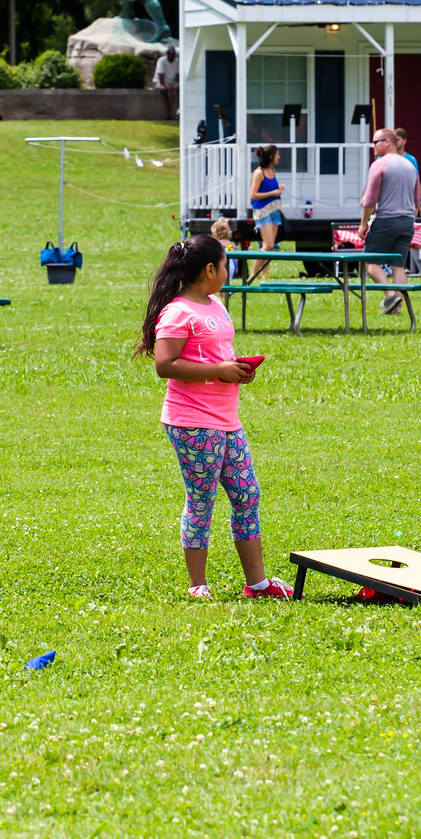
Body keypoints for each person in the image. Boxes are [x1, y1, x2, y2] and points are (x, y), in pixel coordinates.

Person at [134, 234, 291, 600]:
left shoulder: (217, 306)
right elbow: (164, 365)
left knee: (247, 495)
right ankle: (197, 585)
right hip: (191, 421)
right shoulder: (177, 312)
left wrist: (237, 370)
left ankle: (257, 584)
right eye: (224, 264)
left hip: (226, 419)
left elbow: (219, 355)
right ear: (209, 269)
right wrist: (215, 371)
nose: (228, 269)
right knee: (202, 500)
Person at [358, 128, 421, 314]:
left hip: (386, 220)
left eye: (375, 142)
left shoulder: (379, 165)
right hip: (406, 222)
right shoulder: (410, 165)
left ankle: (390, 296)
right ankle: (397, 309)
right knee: (399, 265)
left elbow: (370, 200)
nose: (373, 147)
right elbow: (416, 201)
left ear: (387, 142)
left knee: (370, 262)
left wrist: (363, 224)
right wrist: (410, 221)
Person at [247, 145, 283, 279]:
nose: (279, 157)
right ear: (270, 156)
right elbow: (253, 195)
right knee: (267, 244)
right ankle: (252, 275)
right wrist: (272, 193)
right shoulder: (259, 172)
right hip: (262, 211)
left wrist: (278, 189)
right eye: (277, 154)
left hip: (274, 210)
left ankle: (264, 275)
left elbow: (269, 188)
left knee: (271, 246)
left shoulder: (272, 170)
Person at [155, 45, 180, 117]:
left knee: (181, 88)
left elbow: (178, 75)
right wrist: (162, 85)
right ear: (167, 54)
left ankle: (179, 112)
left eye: (173, 53)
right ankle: (170, 113)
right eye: (171, 53)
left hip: (171, 82)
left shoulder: (177, 61)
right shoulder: (161, 60)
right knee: (168, 89)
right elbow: (160, 75)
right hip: (159, 81)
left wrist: (178, 84)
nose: (172, 55)